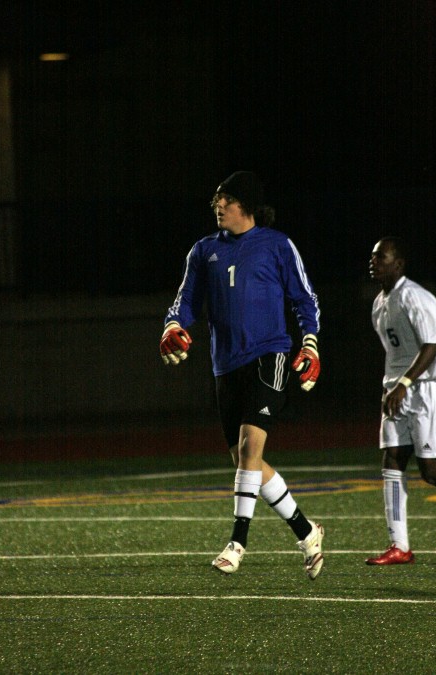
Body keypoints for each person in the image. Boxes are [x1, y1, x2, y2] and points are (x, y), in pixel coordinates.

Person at [159, 171, 324, 579]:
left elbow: (305, 298)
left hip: (270, 354)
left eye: (226, 199)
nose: (218, 206)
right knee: (245, 461)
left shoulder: (277, 244)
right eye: (216, 199)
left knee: (249, 449)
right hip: (225, 363)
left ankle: (237, 542)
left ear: (245, 206)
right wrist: (172, 326)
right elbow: (185, 302)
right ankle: (306, 531)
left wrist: (309, 343)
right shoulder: (203, 251)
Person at [367, 236, 436, 565]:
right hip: (397, 390)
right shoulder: (378, 304)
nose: (373, 261)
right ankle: (399, 546)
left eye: (380, 257)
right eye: (372, 257)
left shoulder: (416, 297)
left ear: (398, 264)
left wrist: (403, 383)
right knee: (392, 462)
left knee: (431, 471)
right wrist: (392, 386)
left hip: (425, 389)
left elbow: (433, 345)